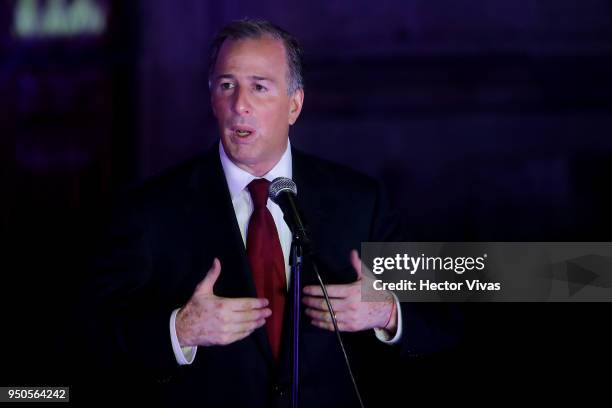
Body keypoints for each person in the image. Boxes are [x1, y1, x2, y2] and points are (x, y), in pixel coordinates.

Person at [82, 18, 462, 407]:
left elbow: (447, 312)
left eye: (259, 87)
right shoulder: (152, 210)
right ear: (212, 97)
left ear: (294, 104)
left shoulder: (359, 202)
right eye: (226, 85)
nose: (239, 104)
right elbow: (89, 337)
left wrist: (386, 312)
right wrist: (178, 331)